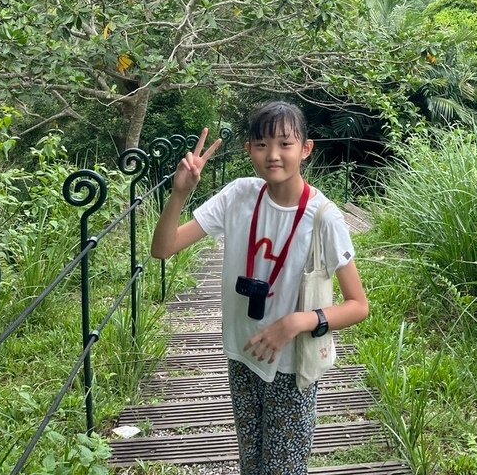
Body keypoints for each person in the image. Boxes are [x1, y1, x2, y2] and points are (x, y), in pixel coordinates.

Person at [151, 100, 369, 475]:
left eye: (285, 144)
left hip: (290, 366)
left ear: (305, 149)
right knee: (252, 463)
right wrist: (180, 194)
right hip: (242, 353)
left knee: (283, 468)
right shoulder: (238, 195)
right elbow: (162, 248)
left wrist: (298, 322)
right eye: (262, 144)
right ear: (249, 148)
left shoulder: (324, 218)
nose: (273, 155)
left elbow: (358, 305)